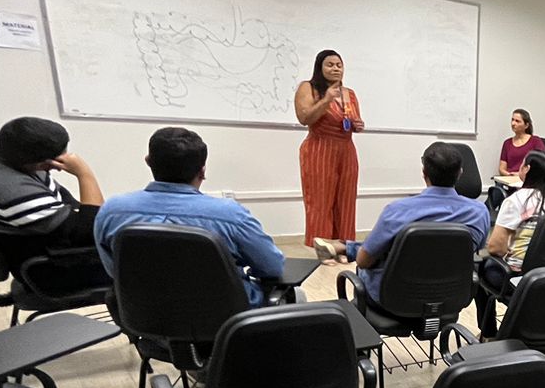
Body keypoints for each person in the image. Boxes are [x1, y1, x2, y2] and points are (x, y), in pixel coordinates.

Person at [95, 127, 285, 307]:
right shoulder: (231, 215)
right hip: (225, 318)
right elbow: (273, 267)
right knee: (295, 296)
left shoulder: (111, 211)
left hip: (145, 316)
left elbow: (115, 271)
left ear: (148, 161)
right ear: (202, 171)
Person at [308, 142, 489, 304]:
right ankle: (344, 247)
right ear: (460, 173)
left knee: (383, 251)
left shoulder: (398, 211)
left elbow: (363, 261)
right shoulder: (479, 213)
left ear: (424, 173)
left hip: (393, 298)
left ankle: (344, 247)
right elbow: (472, 252)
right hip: (450, 297)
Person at [0, 116, 110, 292]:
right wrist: (84, 174)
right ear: (38, 163)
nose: (61, 166)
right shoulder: (14, 193)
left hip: (34, 247)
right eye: (55, 162)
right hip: (48, 269)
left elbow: (60, 194)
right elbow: (91, 231)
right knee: (140, 261)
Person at [475, 149, 545, 335]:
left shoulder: (516, 200)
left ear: (527, 169)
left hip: (518, 276)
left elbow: (495, 247)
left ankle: (489, 334)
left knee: (479, 270)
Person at [293, 50, 363, 248]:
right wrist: (326, 100)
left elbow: (350, 120)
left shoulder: (350, 93)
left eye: (339, 65)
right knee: (320, 201)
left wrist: (358, 124)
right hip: (320, 148)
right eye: (330, 64)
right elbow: (304, 118)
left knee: (346, 202)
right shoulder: (309, 88)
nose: (335, 68)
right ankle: (323, 248)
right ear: (320, 67)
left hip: (346, 149)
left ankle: (344, 247)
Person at [497, 107, 545, 179]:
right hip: (510, 180)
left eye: (517, 121)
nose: (513, 123)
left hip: (529, 180)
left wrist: (520, 175)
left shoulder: (536, 141)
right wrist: (509, 175)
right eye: (512, 120)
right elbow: (502, 168)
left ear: (526, 125)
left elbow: (541, 165)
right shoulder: (507, 143)